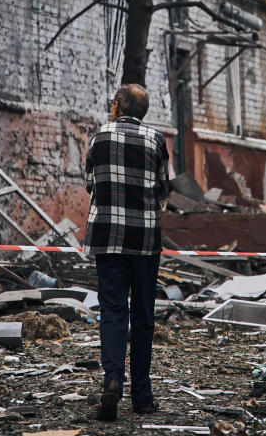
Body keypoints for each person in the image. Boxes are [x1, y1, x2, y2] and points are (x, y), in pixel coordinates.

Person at [84, 83, 170, 421]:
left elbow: (90, 182)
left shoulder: (99, 137)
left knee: (113, 311)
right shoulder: (156, 140)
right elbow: (164, 186)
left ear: (118, 106)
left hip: (107, 237)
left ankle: (112, 381)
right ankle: (142, 397)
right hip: (145, 241)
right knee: (144, 317)